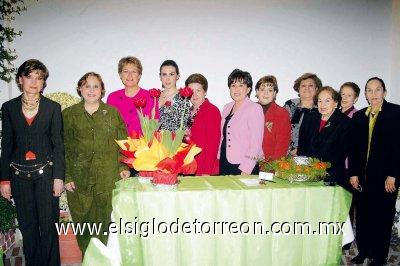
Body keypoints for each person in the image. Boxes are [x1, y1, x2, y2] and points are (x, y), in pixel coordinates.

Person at [0, 59, 64, 266]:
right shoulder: (8, 108)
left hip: (46, 175)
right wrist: (4, 180)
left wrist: (58, 177)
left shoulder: (53, 108)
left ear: (44, 82)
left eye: (39, 77)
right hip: (19, 177)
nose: (34, 82)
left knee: (48, 226)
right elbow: (7, 144)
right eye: (30, 76)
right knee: (28, 228)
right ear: (20, 79)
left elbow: (58, 146)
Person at [63, 72, 130, 253]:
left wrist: (123, 166)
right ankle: (88, 257)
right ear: (80, 89)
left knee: (105, 219)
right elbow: (63, 148)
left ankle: (104, 258)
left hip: (107, 176)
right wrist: (66, 175)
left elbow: (123, 143)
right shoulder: (69, 115)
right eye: (87, 86)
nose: (91, 90)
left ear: (102, 90)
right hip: (78, 179)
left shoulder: (113, 113)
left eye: (96, 86)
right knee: (83, 221)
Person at [349, 77, 400, 265]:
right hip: (362, 177)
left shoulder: (396, 113)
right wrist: (353, 173)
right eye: (369, 91)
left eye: (377, 90)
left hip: (387, 177)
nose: (373, 94)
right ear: (365, 94)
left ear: (384, 92)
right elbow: (353, 148)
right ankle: (364, 251)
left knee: (383, 217)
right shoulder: (359, 115)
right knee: (362, 216)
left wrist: (394, 174)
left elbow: (398, 147)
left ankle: (379, 257)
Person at [297, 86, 351, 186]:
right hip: (307, 173)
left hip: (331, 175)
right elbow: (302, 147)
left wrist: (321, 169)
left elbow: (341, 154)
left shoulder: (344, 122)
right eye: (320, 101)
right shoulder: (309, 118)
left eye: (327, 101)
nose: (322, 105)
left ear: (335, 103)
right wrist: (303, 168)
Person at [218, 69, 264, 175]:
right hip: (225, 160)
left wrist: (247, 168)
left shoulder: (255, 108)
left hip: (244, 164)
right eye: (233, 85)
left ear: (248, 89)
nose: (236, 89)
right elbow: (223, 136)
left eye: (241, 85)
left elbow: (256, 144)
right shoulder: (226, 107)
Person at [107, 56, 157, 135]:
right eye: (125, 71)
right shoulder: (112, 98)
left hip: (143, 146)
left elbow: (155, 126)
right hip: (119, 145)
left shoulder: (151, 97)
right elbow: (108, 126)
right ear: (120, 75)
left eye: (134, 71)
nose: (129, 75)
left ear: (139, 75)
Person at [185, 73, 221, 175]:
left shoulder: (212, 111)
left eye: (198, 90)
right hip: (188, 166)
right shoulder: (187, 111)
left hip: (203, 168)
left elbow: (213, 144)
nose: (194, 95)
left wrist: (206, 171)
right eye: (191, 91)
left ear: (205, 92)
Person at [284, 73, 322, 155]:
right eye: (303, 85)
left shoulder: (322, 108)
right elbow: (281, 130)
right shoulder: (290, 105)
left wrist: (301, 150)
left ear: (317, 88)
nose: (307, 88)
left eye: (310, 85)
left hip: (313, 156)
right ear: (298, 89)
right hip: (288, 156)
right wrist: (291, 150)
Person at [255, 75, 291, 160]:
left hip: (270, 164)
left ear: (275, 93)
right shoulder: (248, 110)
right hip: (248, 162)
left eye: (270, 90)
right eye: (262, 90)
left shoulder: (282, 113)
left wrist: (272, 166)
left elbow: (283, 144)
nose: (265, 93)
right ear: (257, 92)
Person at [158, 60, 190, 131]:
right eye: (164, 74)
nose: (167, 78)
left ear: (177, 76)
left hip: (174, 141)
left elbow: (183, 128)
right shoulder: (155, 96)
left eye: (171, 74)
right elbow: (149, 123)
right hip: (154, 140)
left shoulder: (183, 98)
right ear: (160, 77)